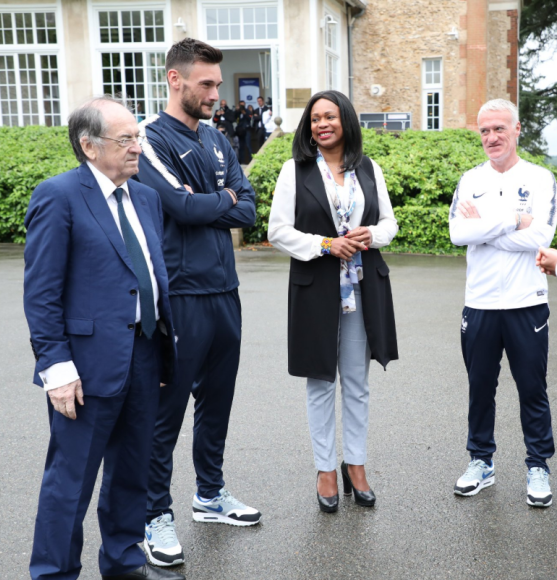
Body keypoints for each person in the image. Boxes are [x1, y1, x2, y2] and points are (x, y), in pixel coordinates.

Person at [23, 96, 184, 580]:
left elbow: (150, 277)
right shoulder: (59, 195)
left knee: (132, 476)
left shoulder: (147, 198)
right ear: (89, 146)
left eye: (140, 137)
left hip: (145, 355)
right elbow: (42, 293)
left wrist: (159, 349)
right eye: (127, 139)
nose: (139, 148)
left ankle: (123, 562)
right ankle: (53, 573)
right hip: (85, 366)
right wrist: (56, 368)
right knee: (69, 483)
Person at [135, 38, 260, 568]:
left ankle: (209, 496)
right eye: (206, 83)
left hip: (224, 294)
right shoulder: (149, 139)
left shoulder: (216, 139)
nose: (215, 92)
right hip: (180, 297)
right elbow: (180, 209)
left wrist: (220, 201)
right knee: (168, 410)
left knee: (218, 403)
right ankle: (153, 513)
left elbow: (248, 208)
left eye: (216, 82)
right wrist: (221, 200)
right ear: (175, 80)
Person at [268, 90, 399, 513]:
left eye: (329, 116)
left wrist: (368, 236)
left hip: (362, 287)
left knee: (357, 383)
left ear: (345, 121)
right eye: (314, 118)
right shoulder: (295, 170)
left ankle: (355, 465)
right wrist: (326, 244)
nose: (321, 124)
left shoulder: (367, 168)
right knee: (321, 380)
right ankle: (326, 469)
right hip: (315, 289)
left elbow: (388, 224)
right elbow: (278, 231)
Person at [449, 98, 557, 507]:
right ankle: (481, 461)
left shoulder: (541, 178)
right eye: (485, 131)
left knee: (532, 388)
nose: (491, 137)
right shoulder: (469, 178)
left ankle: (538, 465)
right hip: (479, 303)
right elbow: (458, 234)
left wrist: (484, 226)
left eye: (499, 129)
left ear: (516, 131)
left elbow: (541, 239)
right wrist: (513, 219)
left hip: (526, 301)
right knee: (480, 388)